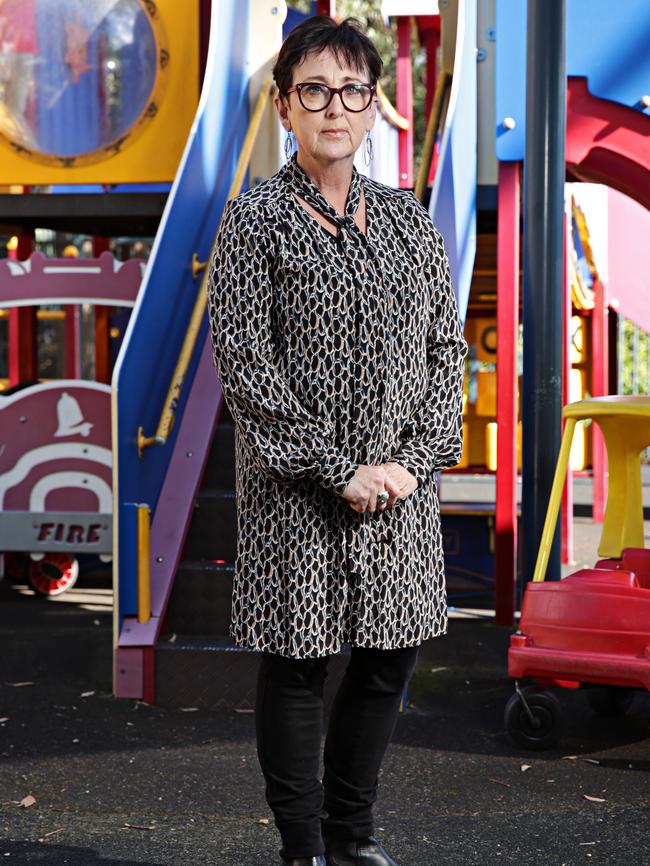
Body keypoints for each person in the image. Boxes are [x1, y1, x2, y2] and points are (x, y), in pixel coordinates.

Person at [207, 16, 468, 866]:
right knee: (297, 664)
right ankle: (303, 847)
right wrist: (336, 469)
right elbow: (244, 362)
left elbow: (444, 353)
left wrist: (408, 462)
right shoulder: (256, 221)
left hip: (398, 492)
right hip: (298, 493)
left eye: (351, 91)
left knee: (389, 658)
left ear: (372, 107)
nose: (333, 108)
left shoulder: (410, 224)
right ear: (286, 107)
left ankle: (353, 836)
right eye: (314, 90)